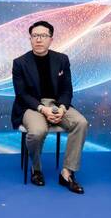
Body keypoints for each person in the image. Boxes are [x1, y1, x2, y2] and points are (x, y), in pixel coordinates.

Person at [11, 21, 88, 194]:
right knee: (37, 131)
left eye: (43, 36)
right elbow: (22, 94)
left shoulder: (62, 59)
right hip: (31, 106)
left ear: (51, 39)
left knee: (81, 123)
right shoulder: (20, 63)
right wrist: (42, 109)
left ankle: (67, 172)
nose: (39, 39)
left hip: (57, 104)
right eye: (35, 36)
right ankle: (36, 168)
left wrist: (62, 108)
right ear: (30, 39)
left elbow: (67, 89)